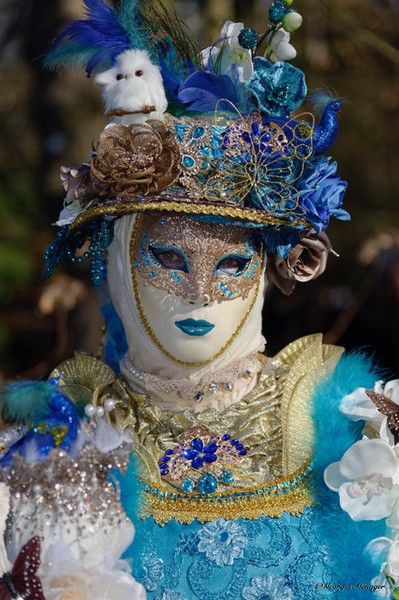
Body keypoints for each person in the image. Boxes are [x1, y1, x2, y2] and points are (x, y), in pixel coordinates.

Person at [0, 1, 398, 598]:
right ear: (118, 264)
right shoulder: (56, 449)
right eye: (167, 258)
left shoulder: (361, 430)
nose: (201, 293)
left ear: (266, 267)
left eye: (233, 264)